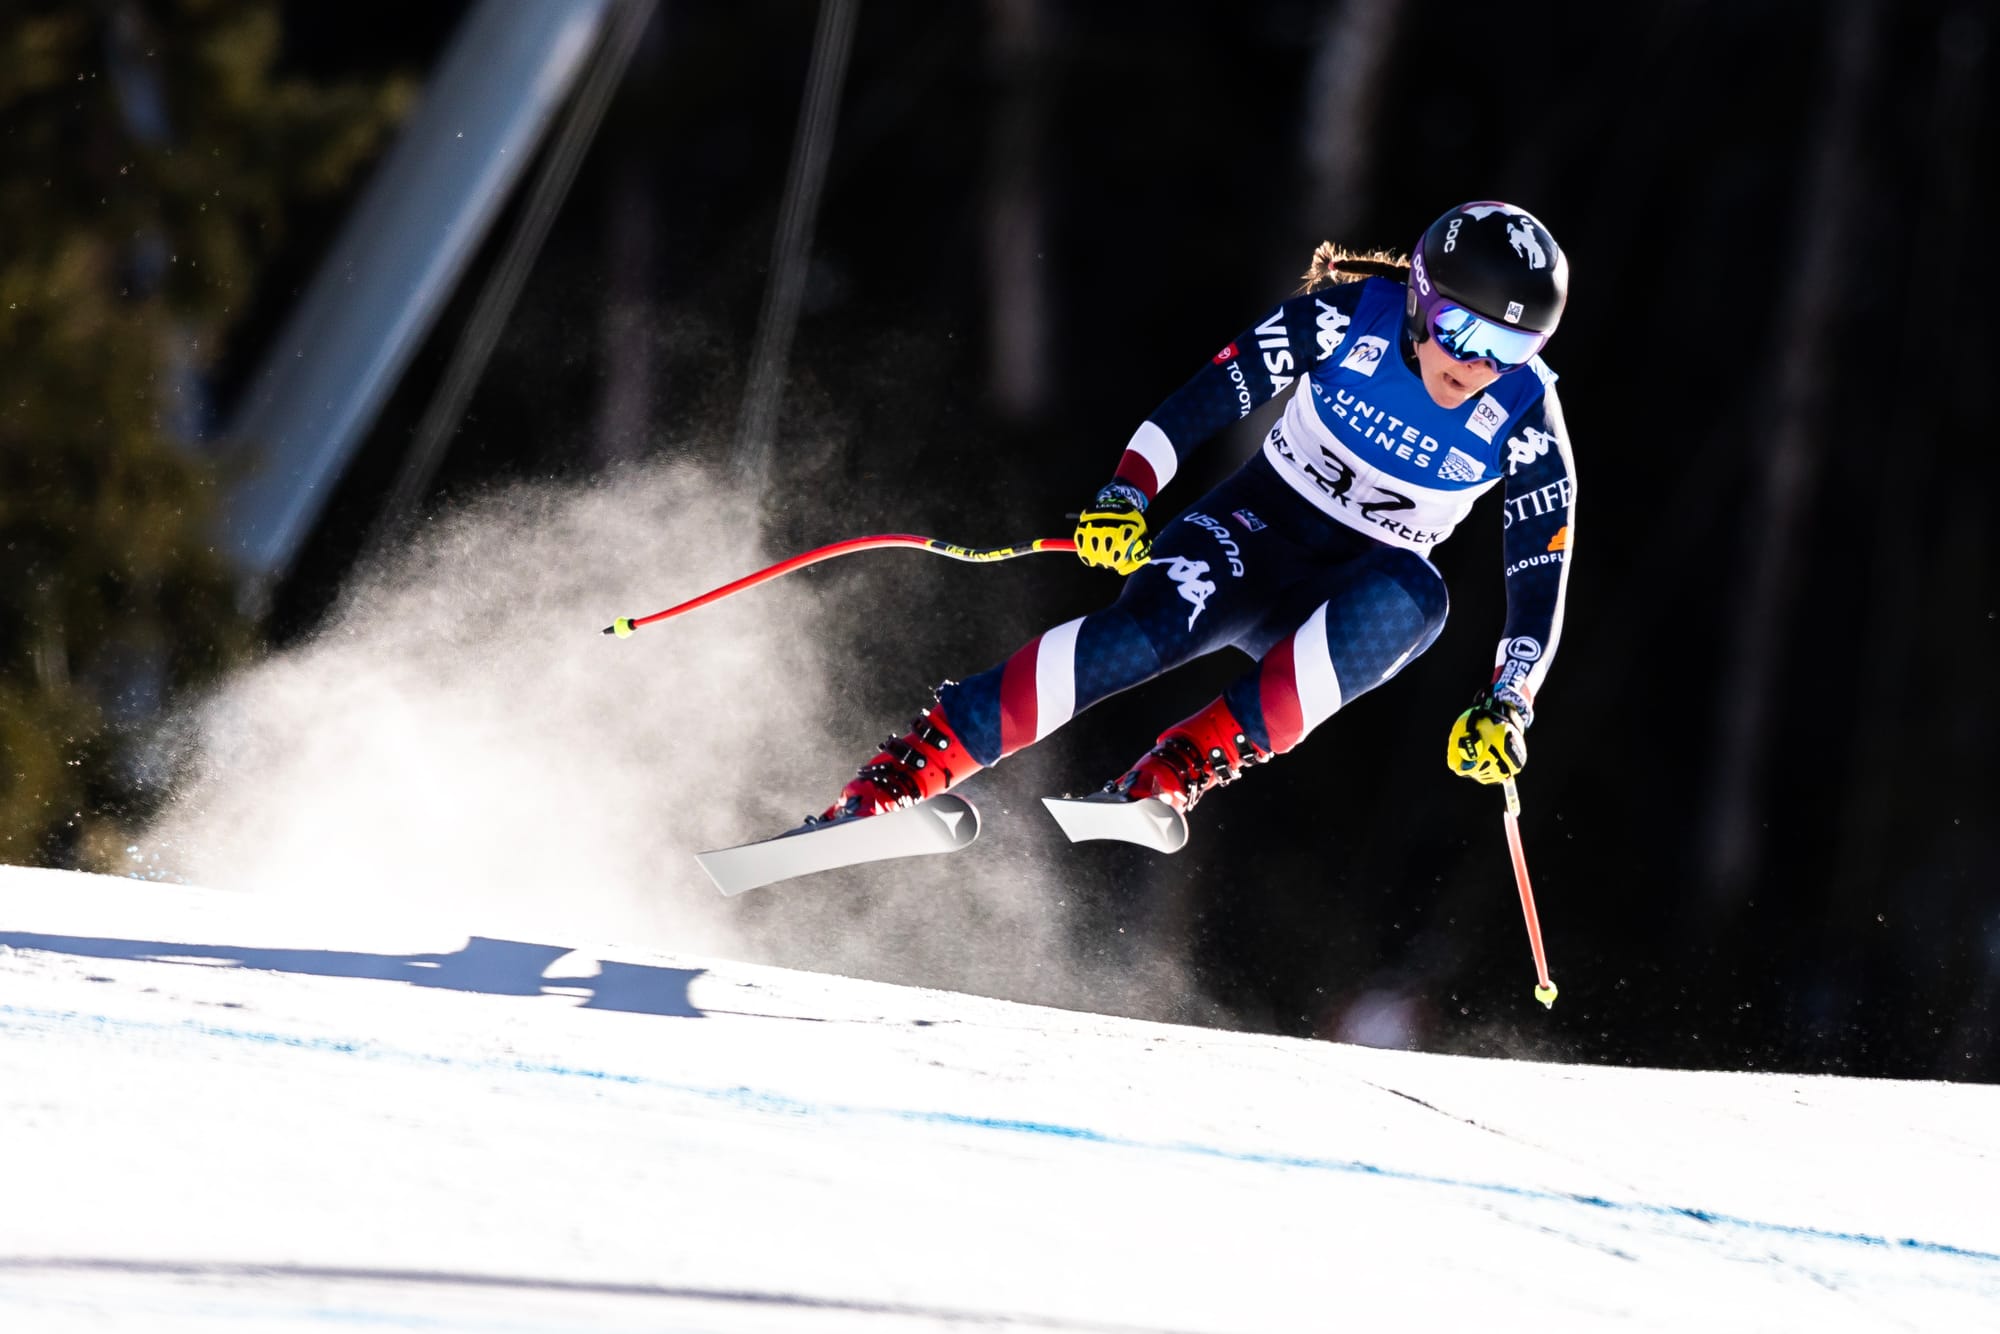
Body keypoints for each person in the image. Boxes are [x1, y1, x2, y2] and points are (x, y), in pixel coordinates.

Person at [816, 201, 1575, 836]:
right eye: (1466, 333)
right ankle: (898, 779)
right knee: (1133, 640)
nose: (1477, 366)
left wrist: (1509, 701)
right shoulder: (1345, 320)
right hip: (1253, 532)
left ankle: (1173, 773)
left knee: (1421, 596)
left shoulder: (1527, 415)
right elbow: (1205, 400)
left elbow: (1541, 573)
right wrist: (1125, 495)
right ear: (1419, 296)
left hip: (1350, 596)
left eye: (1511, 348)